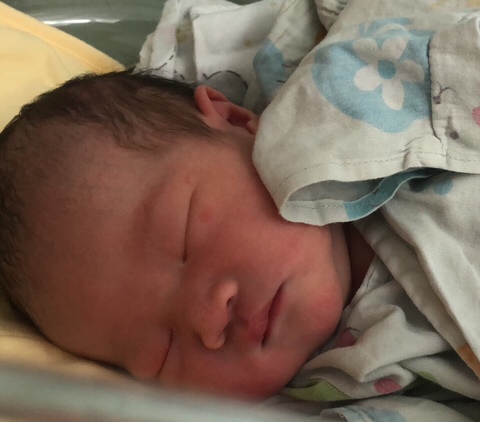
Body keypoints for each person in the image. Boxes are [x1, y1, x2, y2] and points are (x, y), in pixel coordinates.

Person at [0, 69, 375, 399]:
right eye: (162, 354)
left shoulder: (367, 98)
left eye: (185, 241)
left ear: (235, 120)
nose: (209, 322)